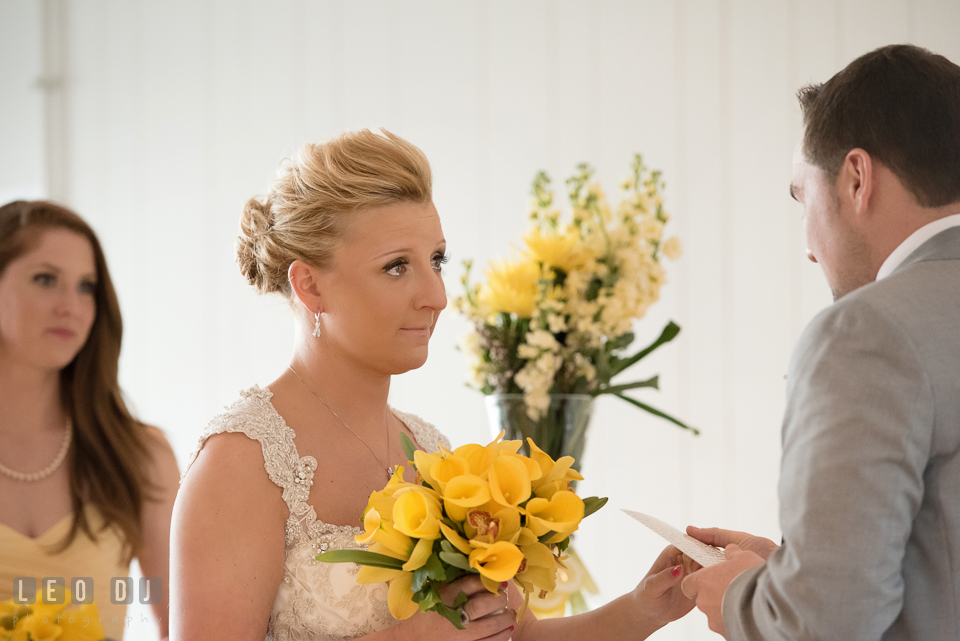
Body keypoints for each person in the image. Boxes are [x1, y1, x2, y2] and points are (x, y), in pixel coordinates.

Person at [170, 128, 695, 641]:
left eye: (436, 260)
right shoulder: (241, 465)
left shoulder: (432, 452)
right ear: (310, 285)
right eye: (397, 267)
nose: (437, 296)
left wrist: (643, 610)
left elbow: (514, 634)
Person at [680, 44, 960, 639]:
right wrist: (787, 576)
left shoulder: (867, 330)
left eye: (802, 197)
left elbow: (824, 624)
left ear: (857, 179)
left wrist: (741, 599)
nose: (808, 247)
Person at [0, 200, 181, 640]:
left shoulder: (140, 455)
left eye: (86, 287)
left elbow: (185, 625)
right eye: (46, 280)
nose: (72, 306)